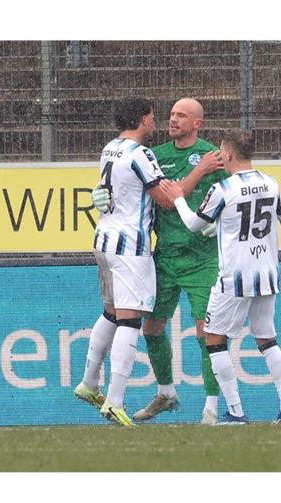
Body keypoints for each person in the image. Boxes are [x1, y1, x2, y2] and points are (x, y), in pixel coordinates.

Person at [93, 98, 228, 425]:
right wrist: (98, 196)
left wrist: (220, 222)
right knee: (151, 329)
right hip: (164, 256)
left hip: (202, 258)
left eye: (181, 116)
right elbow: (132, 192)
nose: (173, 120)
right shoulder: (156, 156)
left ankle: (211, 407)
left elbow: (232, 194)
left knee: (206, 332)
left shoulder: (214, 157)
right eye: (170, 115)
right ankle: (166, 392)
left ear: (198, 123)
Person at [163, 128, 281, 425]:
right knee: (267, 339)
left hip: (234, 277)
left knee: (214, 340)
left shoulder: (223, 189)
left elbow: (192, 224)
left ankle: (236, 411)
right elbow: (277, 219)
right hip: (267, 273)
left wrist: (177, 198)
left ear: (227, 154)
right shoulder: (271, 183)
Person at [73, 96, 176, 426]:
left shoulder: (110, 148)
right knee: (130, 321)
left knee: (111, 312)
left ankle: (90, 383)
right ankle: (115, 401)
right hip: (130, 245)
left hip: (104, 238)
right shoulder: (141, 154)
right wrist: (192, 180)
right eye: (153, 115)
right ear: (144, 118)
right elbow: (165, 200)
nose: (155, 120)